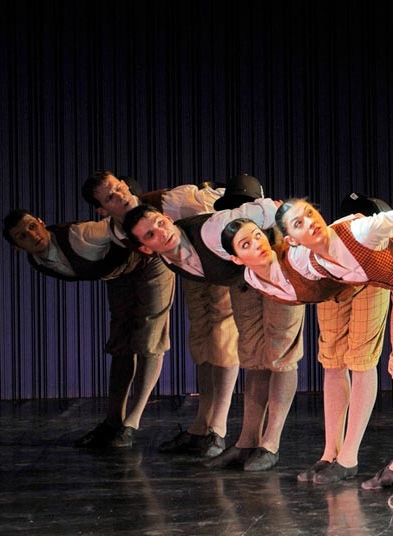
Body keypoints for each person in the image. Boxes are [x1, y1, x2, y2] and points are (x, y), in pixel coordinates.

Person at [223, 194, 393, 496]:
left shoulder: (354, 234)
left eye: (309, 214)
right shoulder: (300, 265)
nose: (309, 223)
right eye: (298, 223)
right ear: (291, 240)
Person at [122, 174, 306, 472]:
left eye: (159, 222)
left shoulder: (212, 229)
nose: (161, 233)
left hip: (278, 271)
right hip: (245, 280)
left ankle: (270, 444)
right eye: (150, 235)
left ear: (166, 218)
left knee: (281, 356)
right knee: (253, 357)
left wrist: (291, 234)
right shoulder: (170, 258)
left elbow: (270, 209)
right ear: (146, 248)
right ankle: (247, 443)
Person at [84, 173, 238, 458]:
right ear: (102, 209)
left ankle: (217, 430)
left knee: (223, 336)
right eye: (110, 196)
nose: (121, 194)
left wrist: (253, 208)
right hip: (191, 268)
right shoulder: (116, 230)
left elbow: (219, 200)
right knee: (202, 340)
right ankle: (201, 426)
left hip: (217, 261)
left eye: (119, 187)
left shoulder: (168, 201)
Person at [2, 208, 162, 450]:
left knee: (149, 338)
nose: (32, 235)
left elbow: (118, 224)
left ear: (41, 221)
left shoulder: (79, 235)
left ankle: (131, 424)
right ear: (17, 248)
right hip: (118, 273)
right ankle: (112, 422)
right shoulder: (37, 259)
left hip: (149, 260)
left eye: (32, 226)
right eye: (22, 236)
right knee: (120, 343)